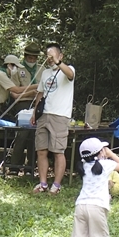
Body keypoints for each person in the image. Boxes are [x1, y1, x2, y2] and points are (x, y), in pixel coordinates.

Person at [65, 138, 119, 237]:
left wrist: (101, 153)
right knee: (100, 235)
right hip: (97, 206)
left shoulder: (84, 165)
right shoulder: (105, 164)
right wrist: (110, 153)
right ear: (100, 152)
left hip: (81, 205)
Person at [0, 55, 38, 174]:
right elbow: (16, 90)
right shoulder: (0, 75)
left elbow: (15, 94)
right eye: (15, 67)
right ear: (9, 65)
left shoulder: (5, 76)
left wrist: (32, 91)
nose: (16, 70)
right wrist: (37, 86)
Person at [30, 43, 75, 194]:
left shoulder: (68, 69)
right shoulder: (45, 73)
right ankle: (43, 184)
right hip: (44, 115)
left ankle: (56, 185)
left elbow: (70, 74)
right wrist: (34, 113)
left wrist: (58, 62)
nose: (49, 59)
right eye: (47, 56)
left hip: (60, 115)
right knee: (41, 150)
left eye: (52, 55)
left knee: (58, 151)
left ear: (60, 55)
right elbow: (40, 94)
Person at [9, 42, 44, 172]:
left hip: (38, 104)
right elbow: (14, 93)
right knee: (21, 135)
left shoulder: (42, 69)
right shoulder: (17, 70)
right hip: (23, 104)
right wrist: (30, 93)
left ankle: (31, 166)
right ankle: (15, 166)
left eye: (34, 58)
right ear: (25, 56)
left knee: (35, 136)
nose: (32, 60)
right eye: (30, 57)